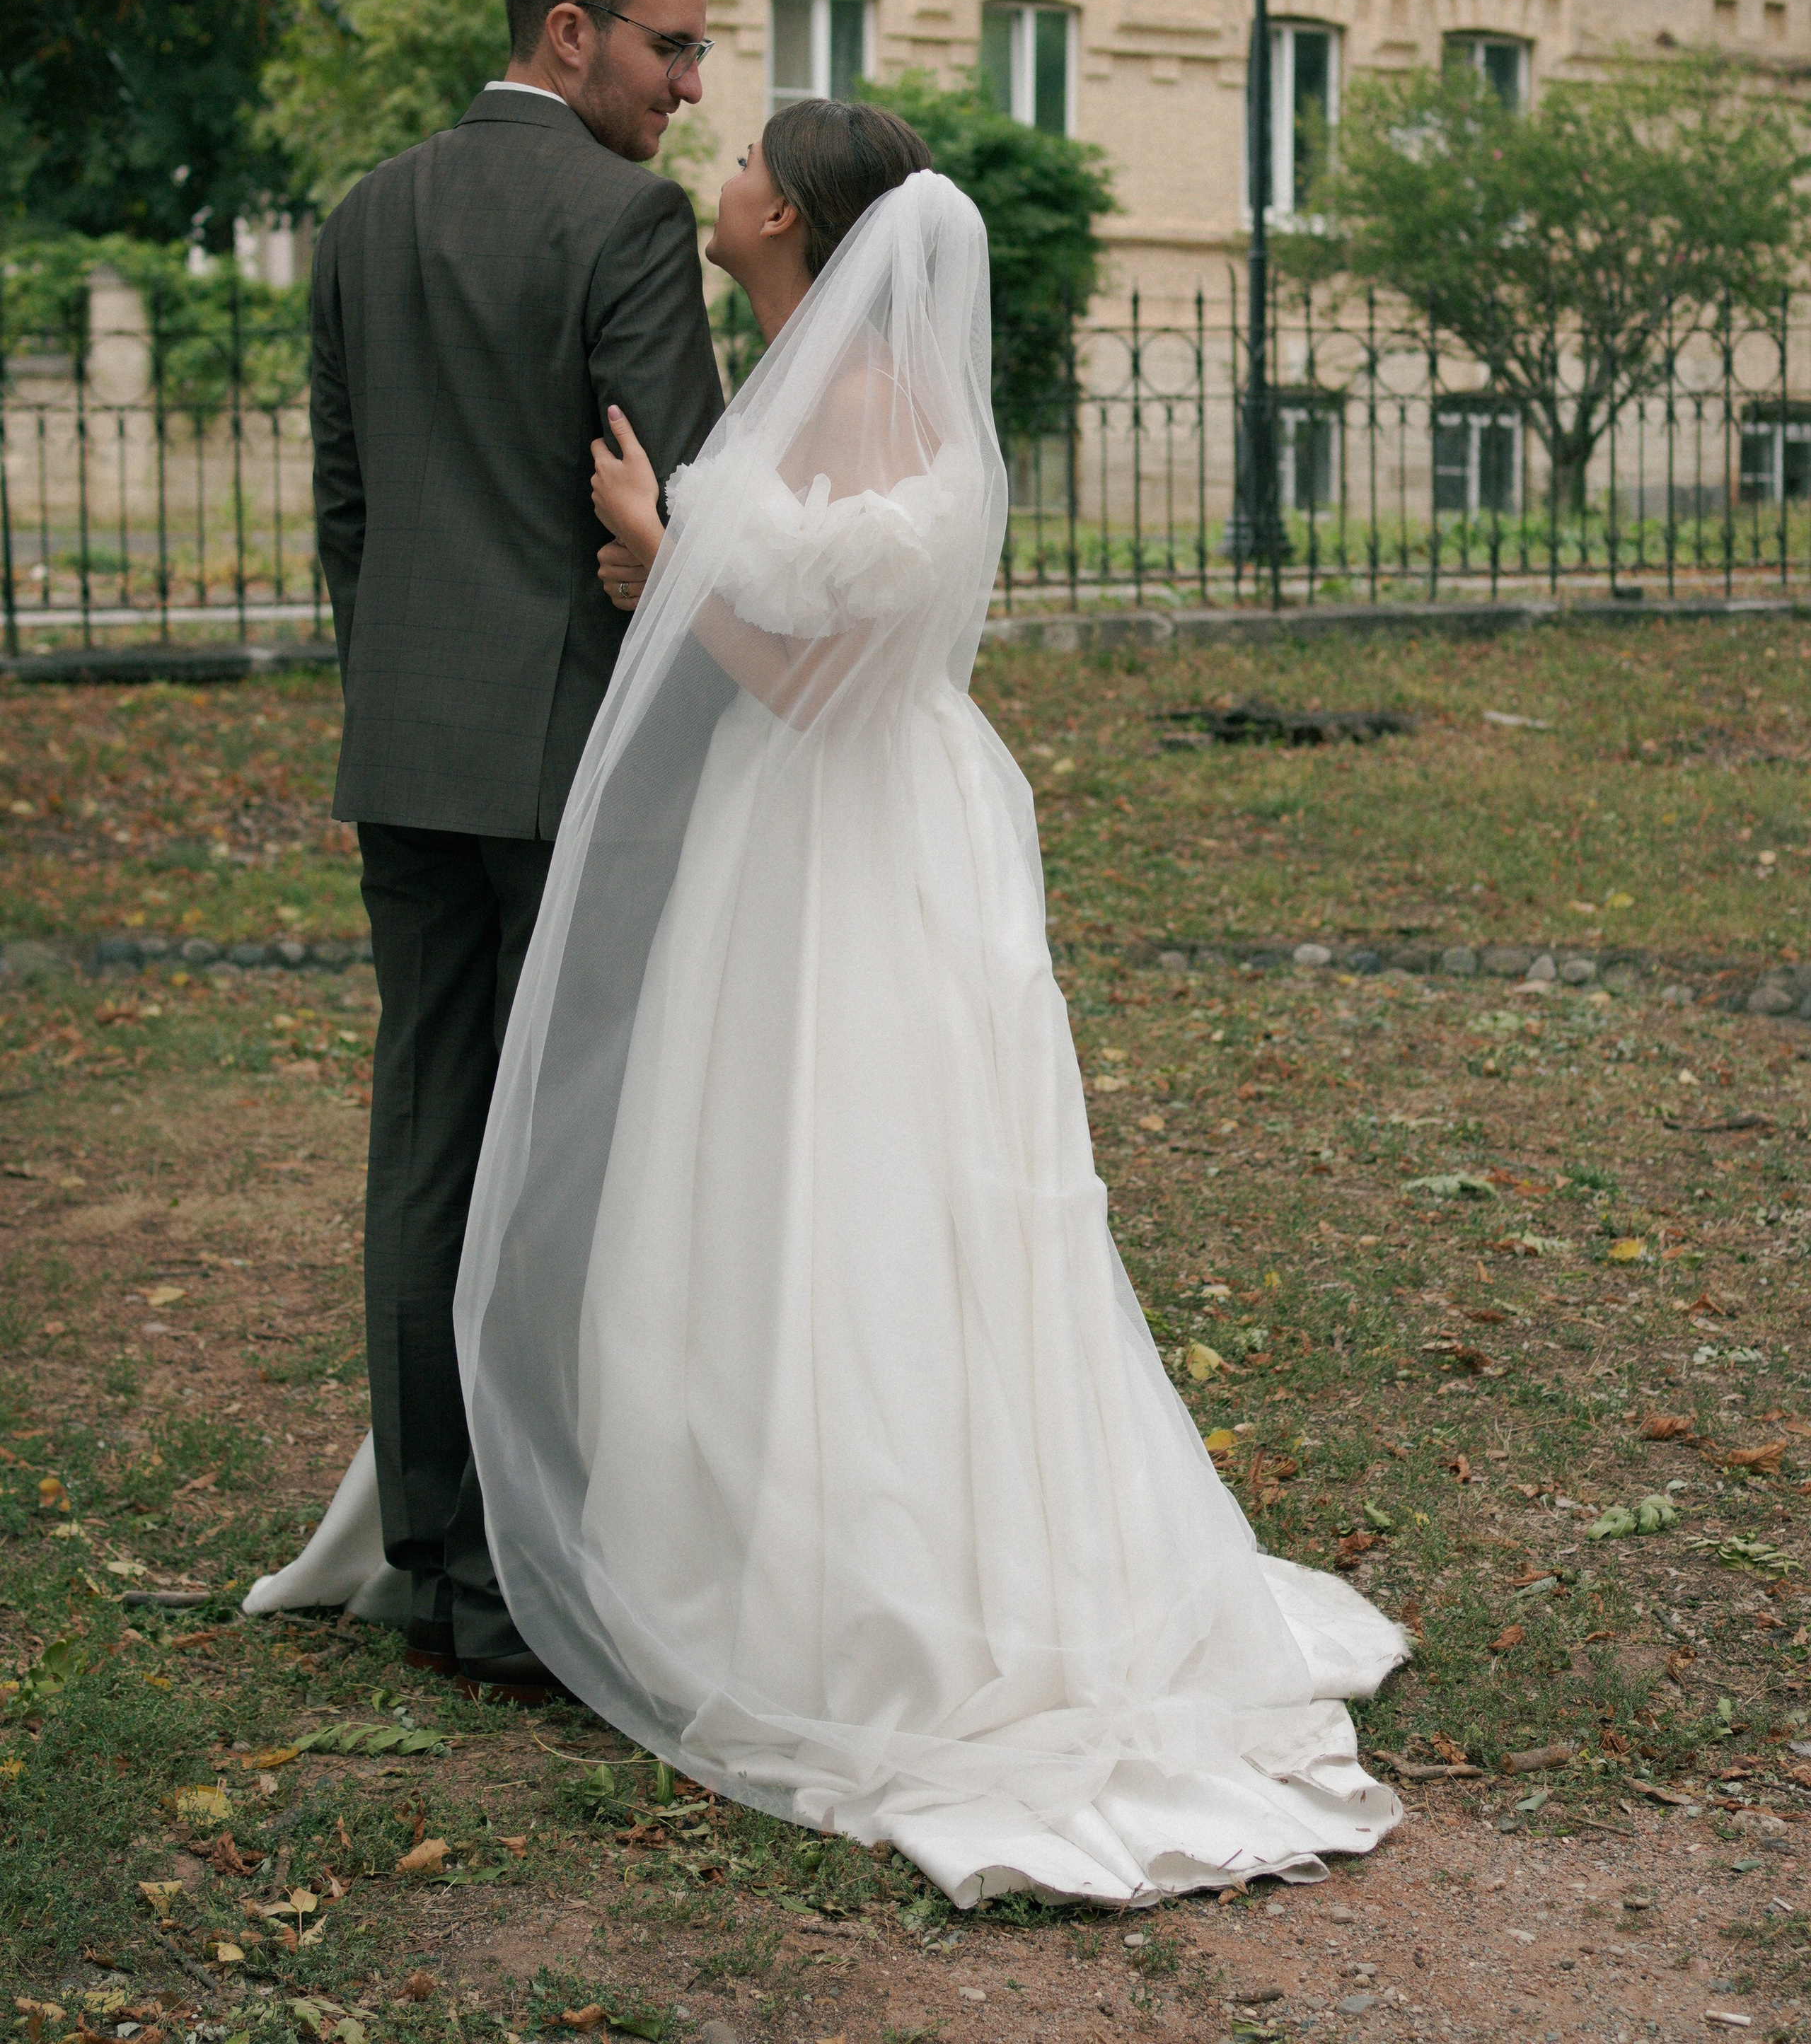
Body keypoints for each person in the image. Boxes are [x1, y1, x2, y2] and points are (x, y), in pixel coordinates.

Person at [449, 100, 1410, 1906]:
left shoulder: (876, 409)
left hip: (853, 828)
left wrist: (666, 561)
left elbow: (815, 690)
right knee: (779, 1156)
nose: (722, 169)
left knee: (871, 1166)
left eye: (749, 158)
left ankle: (870, 1566)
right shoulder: (810, 383)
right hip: (811, 828)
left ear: (791, 217)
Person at [287, 0, 725, 1700]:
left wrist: (402, 692)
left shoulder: (364, 214)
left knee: (426, 1141)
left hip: (406, 752)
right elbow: (683, 503)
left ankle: (437, 1562)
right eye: (670, 45)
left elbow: (347, 510)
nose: (690, 85)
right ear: (569, 31)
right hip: (570, 763)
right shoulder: (626, 221)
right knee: (564, 1165)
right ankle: (535, 1576)